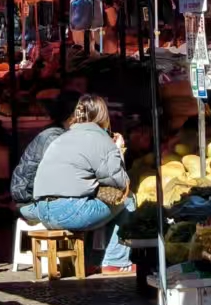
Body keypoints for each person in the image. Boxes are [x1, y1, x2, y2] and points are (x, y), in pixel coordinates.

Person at [27, 93, 135, 275]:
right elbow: (120, 182)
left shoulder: (63, 136)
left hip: (43, 212)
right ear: (103, 115)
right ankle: (115, 262)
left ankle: (91, 261)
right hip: (69, 211)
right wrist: (118, 151)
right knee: (127, 200)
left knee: (94, 201)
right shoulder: (101, 140)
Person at [10, 92, 78, 211]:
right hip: (28, 196)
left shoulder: (60, 133)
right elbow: (62, 175)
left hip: (36, 193)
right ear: (72, 116)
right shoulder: (53, 138)